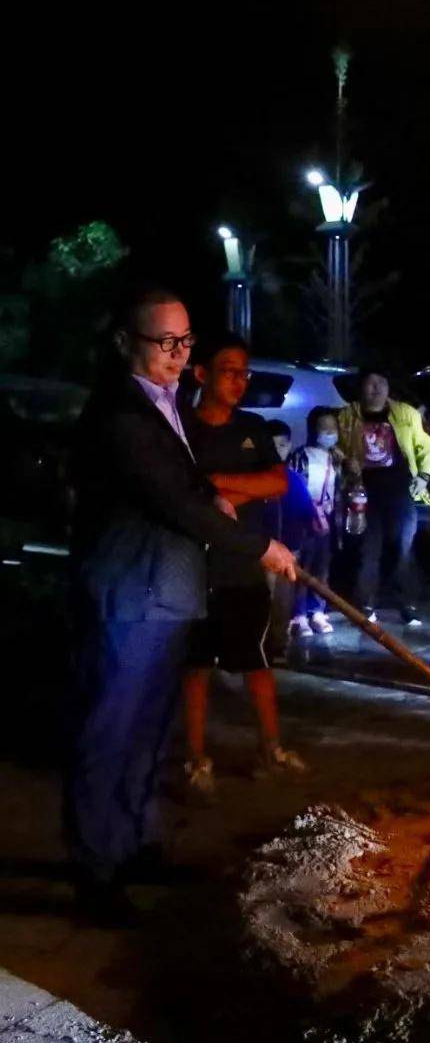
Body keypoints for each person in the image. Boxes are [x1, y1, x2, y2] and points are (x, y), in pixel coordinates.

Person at [67, 290, 295, 923]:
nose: (178, 354)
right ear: (126, 344)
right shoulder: (120, 413)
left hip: (166, 593)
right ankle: (95, 873)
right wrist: (259, 545)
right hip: (127, 594)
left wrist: (215, 498)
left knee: (147, 731)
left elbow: (187, 487)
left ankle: (134, 843)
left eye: (185, 340)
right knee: (108, 733)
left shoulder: (165, 402)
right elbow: (169, 500)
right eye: (164, 343)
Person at [182, 333, 306, 799]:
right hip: (193, 567)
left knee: (255, 658)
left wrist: (218, 488)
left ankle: (270, 748)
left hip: (243, 561)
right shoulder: (182, 430)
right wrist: (209, 497)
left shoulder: (251, 427)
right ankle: (196, 759)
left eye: (244, 373)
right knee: (195, 664)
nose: (240, 381)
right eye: (230, 371)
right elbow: (182, 494)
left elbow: (276, 482)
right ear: (202, 374)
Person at [336, 370, 430, 626]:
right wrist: (346, 461)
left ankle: (407, 604)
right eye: (371, 383)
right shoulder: (347, 415)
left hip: (400, 490)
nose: (376, 388)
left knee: (403, 547)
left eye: (382, 382)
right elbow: (335, 446)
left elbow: (426, 445)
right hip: (364, 492)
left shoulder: (405, 413)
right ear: (361, 388)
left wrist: (423, 475)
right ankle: (366, 604)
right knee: (368, 549)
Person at [264, 419, 320, 659]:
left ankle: (277, 643)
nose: (279, 450)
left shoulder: (293, 479)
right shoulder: (256, 478)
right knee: (265, 599)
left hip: (290, 549)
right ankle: (262, 643)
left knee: (283, 600)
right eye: (273, 444)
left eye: (283, 444)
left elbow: (306, 511)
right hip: (263, 551)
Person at [287, 406, 339, 638]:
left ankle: (317, 610)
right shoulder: (300, 455)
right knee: (302, 567)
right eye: (323, 427)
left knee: (322, 566)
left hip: (326, 520)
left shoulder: (336, 458)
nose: (329, 432)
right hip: (304, 517)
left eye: (332, 427)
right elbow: (293, 488)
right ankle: (298, 615)